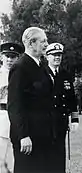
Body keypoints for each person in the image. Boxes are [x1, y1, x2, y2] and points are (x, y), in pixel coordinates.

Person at [7, 27, 54, 173]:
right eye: (43, 41)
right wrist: (23, 135)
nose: (46, 44)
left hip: (42, 135)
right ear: (31, 43)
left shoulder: (42, 66)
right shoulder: (20, 67)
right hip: (28, 137)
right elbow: (15, 105)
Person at [45, 42, 79, 173]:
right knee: (47, 154)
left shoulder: (65, 75)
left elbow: (72, 98)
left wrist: (75, 119)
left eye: (59, 55)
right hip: (45, 121)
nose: (57, 58)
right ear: (47, 57)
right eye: (54, 55)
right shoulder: (41, 73)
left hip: (61, 121)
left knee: (60, 154)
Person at [0, 42, 24, 173]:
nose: (9, 60)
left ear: (18, 58)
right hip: (1, 117)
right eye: (7, 56)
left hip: (17, 120)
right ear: (1, 57)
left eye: (13, 57)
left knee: (14, 160)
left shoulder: (21, 75)